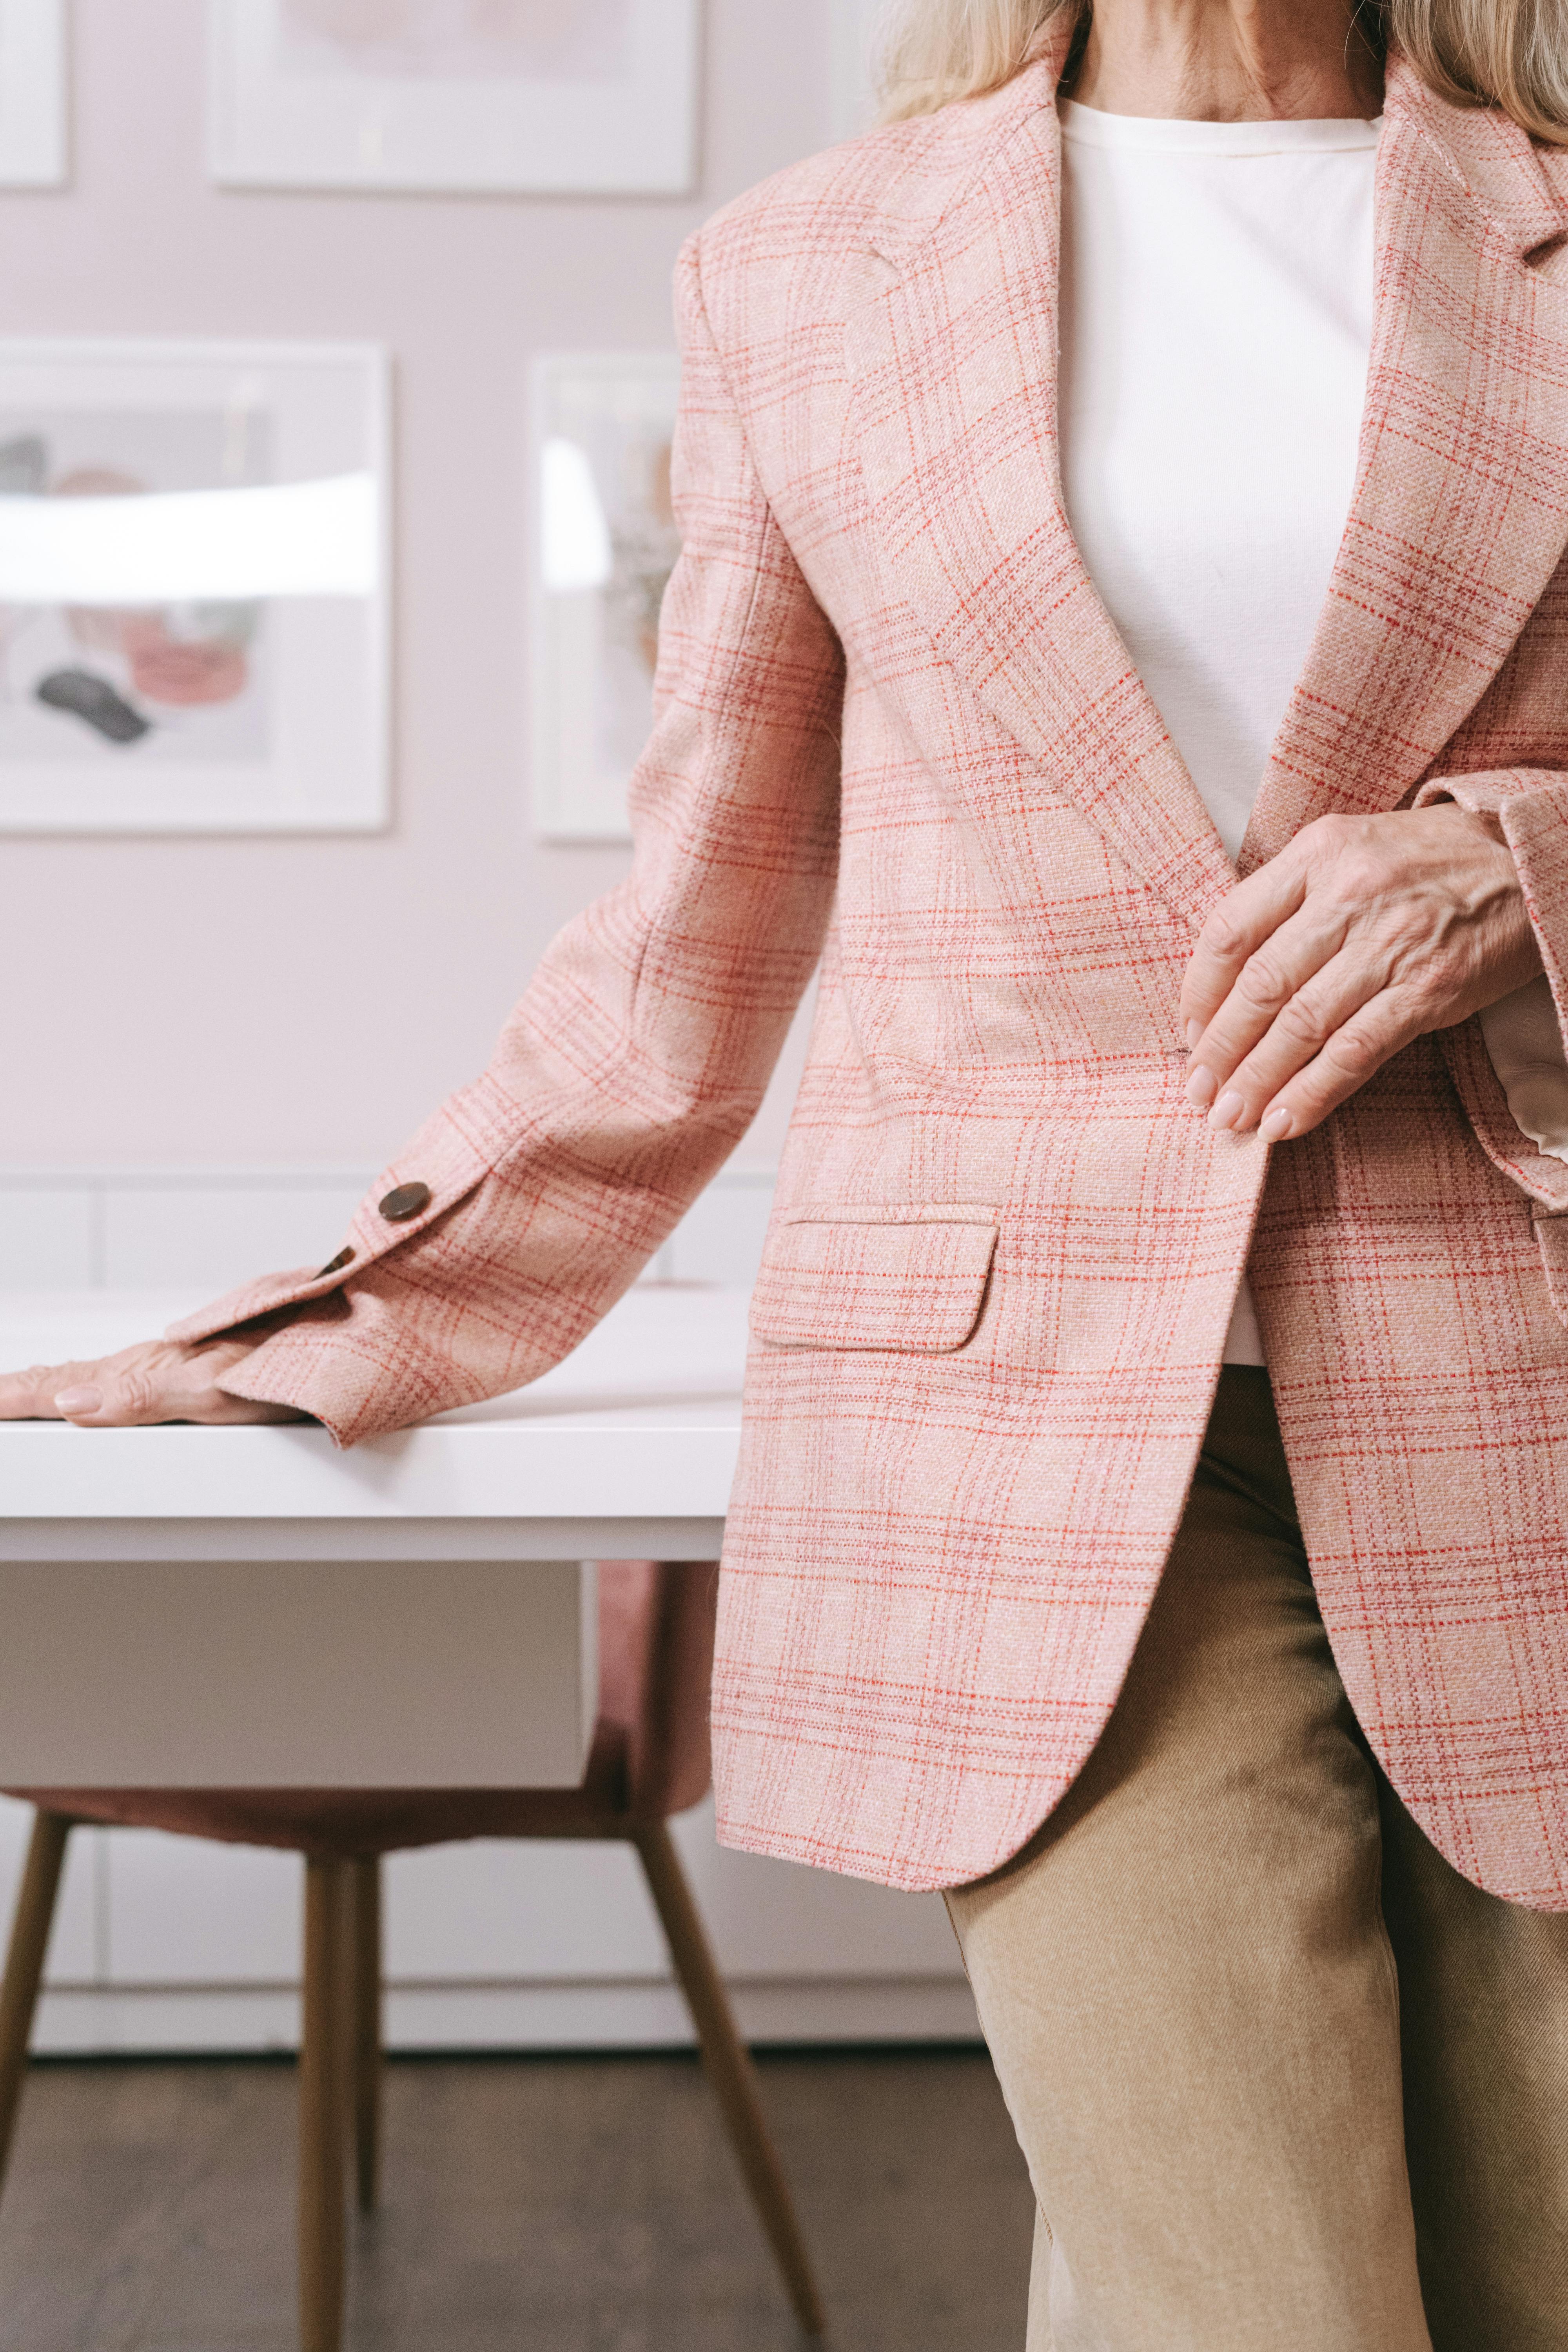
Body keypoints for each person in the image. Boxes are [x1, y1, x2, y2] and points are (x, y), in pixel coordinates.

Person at [8, 0, 1568, 2340]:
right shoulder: (809, 272)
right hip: (1025, 1451)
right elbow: (695, 935)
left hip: (1523, 1400)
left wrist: (1515, 866)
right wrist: (342, 1321)